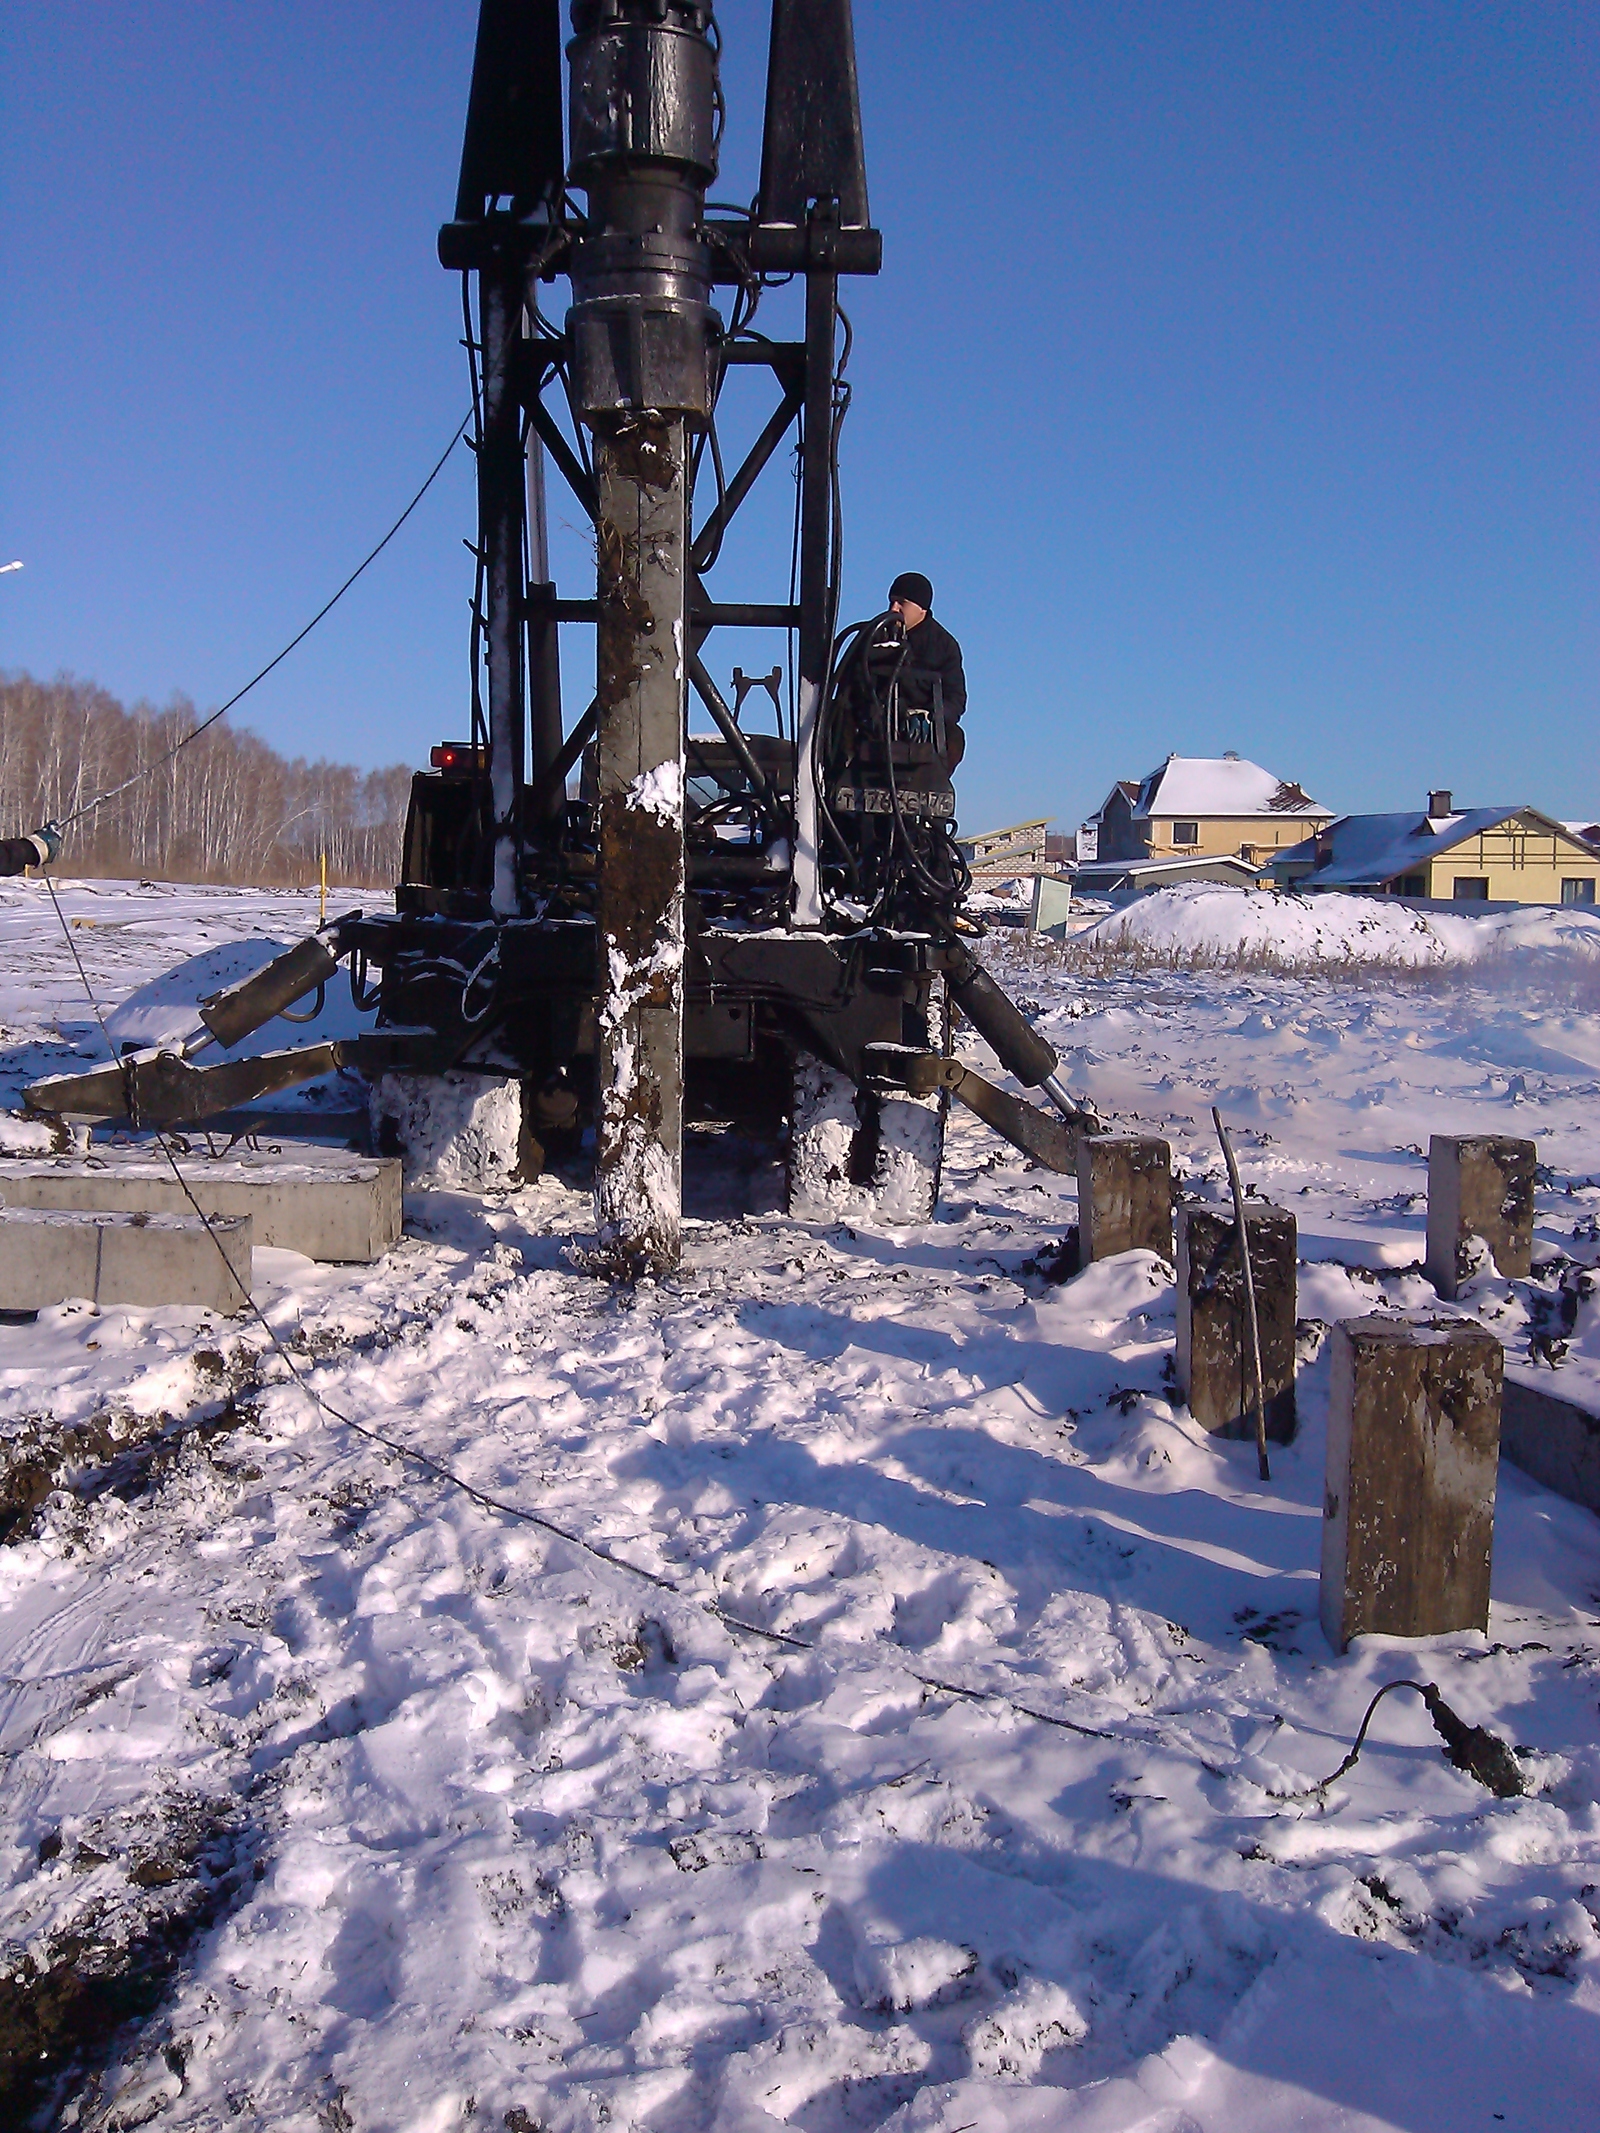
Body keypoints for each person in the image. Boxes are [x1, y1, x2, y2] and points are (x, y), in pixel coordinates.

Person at [887, 571, 966, 770]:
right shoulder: (873, 637)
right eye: (892, 601)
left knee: (955, 738)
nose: (893, 608)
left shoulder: (945, 646)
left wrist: (932, 716)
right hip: (878, 722)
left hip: (924, 728)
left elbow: (956, 698)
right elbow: (850, 687)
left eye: (901, 603)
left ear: (921, 608)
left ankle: (931, 788)